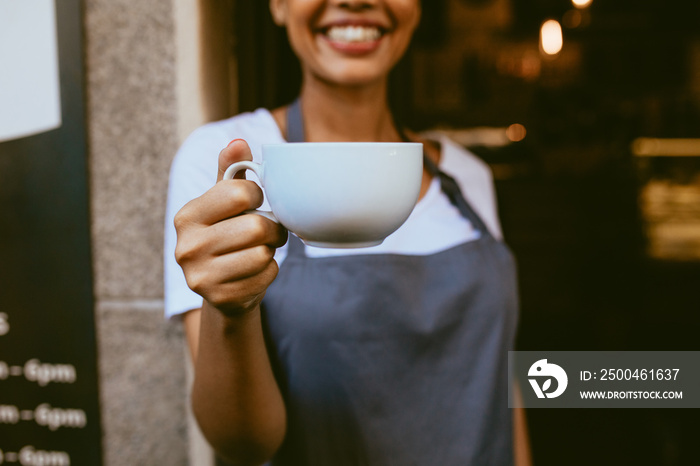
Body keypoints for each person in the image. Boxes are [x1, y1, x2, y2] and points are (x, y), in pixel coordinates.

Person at [164, 0, 531, 464]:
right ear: (278, 5)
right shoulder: (227, 166)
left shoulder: (468, 175)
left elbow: (499, 382)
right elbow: (244, 445)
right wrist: (230, 310)